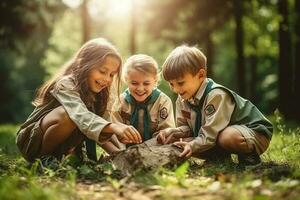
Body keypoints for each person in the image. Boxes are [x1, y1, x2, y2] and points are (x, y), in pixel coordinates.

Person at [16, 38, 142, 162]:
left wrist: (120, 153)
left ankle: (59, 159)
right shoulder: (66, 85)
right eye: (103, 71)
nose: (107, 79)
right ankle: (43, 160)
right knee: (69, 115)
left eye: (111, 75)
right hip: (32, 142)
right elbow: (81, 116)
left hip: (65, 146)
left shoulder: (100, 95)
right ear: (84, 64)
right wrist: (114, 127)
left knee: (100, 124)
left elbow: (102, 126)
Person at [157, 45, 273, 167]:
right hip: (214, 136)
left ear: (201, 75)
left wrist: (192, 145)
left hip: (255, 134)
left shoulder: (216, 95)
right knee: (177, 143)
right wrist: (174, 131)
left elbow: (210, 133)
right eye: (171, 84)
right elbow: (188, 129)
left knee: (227, 137)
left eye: (180, 83)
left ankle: (249, 156)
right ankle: (219, 157)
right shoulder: (183, 98)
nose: (176, 89)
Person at [106, 54, 175, 151]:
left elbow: (167, 131)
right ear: (126, 79)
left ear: (155, 80)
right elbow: (115, 127)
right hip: (125, 149)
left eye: (146, 83)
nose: (140, 88)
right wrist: (121, 136)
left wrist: (161, 136)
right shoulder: (121, 101)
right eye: (134, 83)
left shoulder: (163, 101)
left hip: (154, 149)